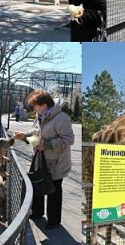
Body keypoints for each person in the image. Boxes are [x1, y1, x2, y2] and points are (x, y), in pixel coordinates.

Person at [13, 90, 75, 229]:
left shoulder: (61, 118)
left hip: (56, 162)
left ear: (44, 105)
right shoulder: (39, 117)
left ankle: (54, 221)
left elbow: (68, 140)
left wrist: (46, 145)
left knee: (54, 190)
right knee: (38, 184)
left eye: (35, 105)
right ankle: (37, 212)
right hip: (41, 160)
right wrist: (24, 136)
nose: (33, 108)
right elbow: (36, 137)